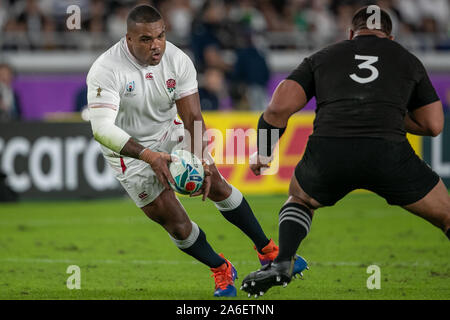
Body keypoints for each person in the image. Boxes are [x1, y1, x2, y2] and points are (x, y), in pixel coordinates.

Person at [86, 5, 307, 297]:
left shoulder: (178, 60)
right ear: (128, 39)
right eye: (146, 39)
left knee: (214, 181)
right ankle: (220, 268)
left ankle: (267, 249)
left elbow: (193, 117)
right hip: (130, 154)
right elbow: (102, 129)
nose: (156, 45)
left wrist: (202, 159)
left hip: (169, 132)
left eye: (160, 36)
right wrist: (150, 157)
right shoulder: (106, 69)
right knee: (174, 223)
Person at [241, 6, 450, 297]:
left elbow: (278, 107)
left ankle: (283, 262)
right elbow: (433, 125)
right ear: (390, 38)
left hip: (330, 150)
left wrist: (264, 152)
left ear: (351, 34)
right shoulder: (407, 59)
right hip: (388, 154)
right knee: (447, 216)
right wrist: (387, 108)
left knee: (300, 199)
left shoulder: (324, 56)